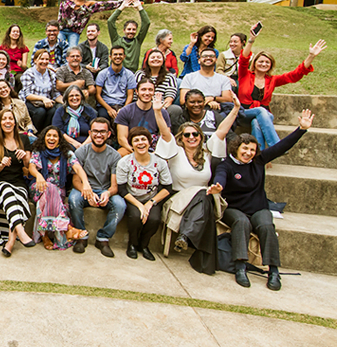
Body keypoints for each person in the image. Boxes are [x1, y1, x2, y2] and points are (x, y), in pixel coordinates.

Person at [214, 109, 314, 291]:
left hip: (258, 208)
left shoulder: (259, 161)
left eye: (252, 150)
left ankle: (273, 270)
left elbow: (281, 147)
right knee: (241, 222)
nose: (248, 153)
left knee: (267, 225)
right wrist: (218, 186)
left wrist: (301, 129)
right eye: (245, 149)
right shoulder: (226, 165)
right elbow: (220, 177)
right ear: (236, 148)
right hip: (234, 209)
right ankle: (240, 267)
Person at [155, 93, 239, 274]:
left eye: (195, 134)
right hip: (178, 199)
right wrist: (157, 111)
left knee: (204, 194)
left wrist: (236, 109)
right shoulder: (175, 151)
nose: (191, 137)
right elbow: (164, 132)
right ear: (181, 137)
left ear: (201, 137)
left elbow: (222, 131)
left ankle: (186, 237)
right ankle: (201, 252)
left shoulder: (207, 152)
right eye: (187, 135)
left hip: (202, 201)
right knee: (203, 193)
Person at [237, 32, 324, 149]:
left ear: (271, 65)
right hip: (244, 113)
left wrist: (311, 56)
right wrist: (251, 39)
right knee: (260, 111)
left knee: (257, 122)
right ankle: (277, 147)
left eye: (267, 62)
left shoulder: (273, 80)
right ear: (255, 63)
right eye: (261, 61)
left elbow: (295, 75)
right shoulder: (245, 75)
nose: (264, 64)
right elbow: (243, 59)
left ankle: (260, 157)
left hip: (265, 116)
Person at [69, 117, 125, 257]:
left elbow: (114, 186)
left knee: (120, 205)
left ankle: (103, 238)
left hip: (104, 191)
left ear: (108, 134)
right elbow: (76, 181)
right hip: (85, 189)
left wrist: (107, 193)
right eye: (95, 131)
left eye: (102, 132)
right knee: (73, 200)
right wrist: (87, 192)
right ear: (90, 133)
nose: (99, 135)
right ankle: (82, 235)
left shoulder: (114, 155)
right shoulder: (81, 152)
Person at [117, 125, 173, 261]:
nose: (140, 143)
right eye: (136, 140)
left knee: (154, 219)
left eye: (143, 139)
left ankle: (144, 245)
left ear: (149, 142)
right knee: (136, 217)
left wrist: (150, 203)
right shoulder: (125, 162)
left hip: (152, 198)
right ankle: (132, 244)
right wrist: (140, 205)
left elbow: (167, 188)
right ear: (131, 144)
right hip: (132, 197)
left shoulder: (160, 162)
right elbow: (122, 189)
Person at [28, 126, 89, 250]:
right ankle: (67, 228)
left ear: (59, 139)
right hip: (38, 187)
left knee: (46, 198)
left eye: (55, 136)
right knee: (49, 187)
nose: (51, 138)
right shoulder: (38, 151)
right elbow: (32, 166)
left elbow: (77, 167)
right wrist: (38, 175)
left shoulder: (66, 153)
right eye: (48, 135)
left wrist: (86, 183)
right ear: (44, 138)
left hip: (57, 191)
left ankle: (44, 235)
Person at [0, 109, 35, 257]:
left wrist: (25, 158)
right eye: (4, 119)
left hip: (18, 180)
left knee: (19, 198)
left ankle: (10, 242)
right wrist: (1, 164)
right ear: (0, 123)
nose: (7, 121)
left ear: (15, 122)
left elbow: (28, 167)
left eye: (10, 119)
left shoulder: (24, 140)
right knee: (7, 192)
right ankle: (20, 231)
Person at [115, 79, 171, 155]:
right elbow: (122, 139)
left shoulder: (162, 112)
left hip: (153, 148)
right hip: (132, 147)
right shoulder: (125, 111)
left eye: (150, 90)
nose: (147, 93)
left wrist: (155, 153)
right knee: (120, 153)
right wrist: (136, 152)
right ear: (137, 92)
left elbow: (166, 137)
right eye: (143, 90)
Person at [20, 49, 63, 130]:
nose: (44, 61)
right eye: (41, 59)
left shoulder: (51, 74)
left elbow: (56, 94)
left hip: (46, 103)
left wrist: (65, 102)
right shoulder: (28, 74)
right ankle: (34, 132)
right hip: (31, 102)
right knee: (40, 112)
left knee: (55, 110)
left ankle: (45, 132)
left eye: (47, 59)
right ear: (35, 60)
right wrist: (43, 99)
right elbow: (27, 95)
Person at [107, 0, 150, 72]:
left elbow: (146, 23)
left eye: (133, 29)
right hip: (116, 71)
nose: (131, 31)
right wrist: (122, 7)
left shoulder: (138, 41)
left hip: (132, 73)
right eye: (129, 29)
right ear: (124, 30)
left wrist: (140, 8)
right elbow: (110, 22)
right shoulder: (116, 39)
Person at [94, 46, 136, 120]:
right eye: (115, 54)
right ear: (110, 56)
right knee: (103, 117)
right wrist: (109, 109)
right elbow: (98, 95)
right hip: (105, 105)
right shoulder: (102, 74)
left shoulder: (129, 74)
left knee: (128, 118)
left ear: (124, 56)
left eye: (120, 54)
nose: (118, 57)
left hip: (122, 105)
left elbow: (130, 95)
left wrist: (123, 109)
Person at [52, 85, 97, 149]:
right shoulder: (60, 111)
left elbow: (94, 130)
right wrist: (75, 144)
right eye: (71, 96)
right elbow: (57, 130)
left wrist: (83, 146)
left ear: (81, 97)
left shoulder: (89, 111)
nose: (74, 98)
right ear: (66, 98)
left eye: (77, 95)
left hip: (87, 145)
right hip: (66, 145)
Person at [136, 49, 179, 114]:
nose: (156, 59)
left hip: (161, 108)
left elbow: (169, 98)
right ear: (147, 61)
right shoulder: (140, 74)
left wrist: (160, 109)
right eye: (153, 57)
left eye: (159, 57)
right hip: (142, 106)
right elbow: (135, 94)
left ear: (163, 61)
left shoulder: (170, 77)